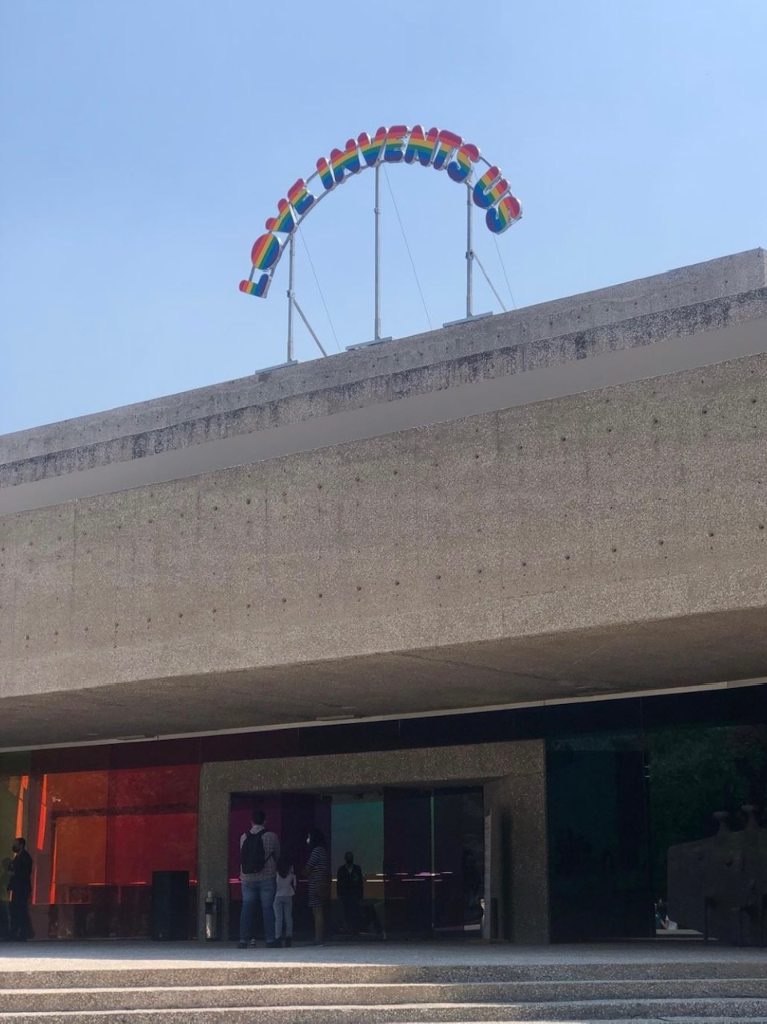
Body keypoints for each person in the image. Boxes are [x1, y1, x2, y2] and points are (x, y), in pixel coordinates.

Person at [238, 810, 280, 949]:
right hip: (267, 876)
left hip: (247, 877)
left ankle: (243, 940)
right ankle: (270, 939)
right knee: (267, 908)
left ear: (252, 821)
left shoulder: (244, 837)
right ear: (265, 821)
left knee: (247, 908)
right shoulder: (271, 836)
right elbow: (277, 854)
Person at [305, 827, 330, 945]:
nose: (307, 839)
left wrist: (304, 872)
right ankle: (319, 936)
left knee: (317, 911)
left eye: (309, 837)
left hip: (316, 883)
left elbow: (308, 868)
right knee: (319, 911)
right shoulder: (323, 851)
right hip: (321, 882)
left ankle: (318, 937)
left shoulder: (316, 851)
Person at [7, 838, 33, 942]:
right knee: (17, 910)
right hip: (18, 888)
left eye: (16, 844)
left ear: (21, 845)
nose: (14, 846)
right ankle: (18, 932)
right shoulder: (18, 856)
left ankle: (22, 933)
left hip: (22, 889)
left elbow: (25, 873)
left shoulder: (25, 857)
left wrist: (14, 873)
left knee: (20, 910)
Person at [336, 851, 363, 935]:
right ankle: (348, 929)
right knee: (346, 912)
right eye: (348, 857)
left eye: (350, 857)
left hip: (355, 894)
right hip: (345, 895)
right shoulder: (341, 870)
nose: (349, 859)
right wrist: (339, 894)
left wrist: (361, 895)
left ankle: (355, 930)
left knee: (355, 912)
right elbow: (339, 883)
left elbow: (360, 883)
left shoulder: (357, 869)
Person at [273, 853, 296, 948]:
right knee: (288, 917)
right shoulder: (291, 870)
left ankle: (278, 937)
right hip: (288, 894)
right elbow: (294, 883)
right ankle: (289, 937)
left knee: (278, 918)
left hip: (277, 895)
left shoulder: (276, 872)